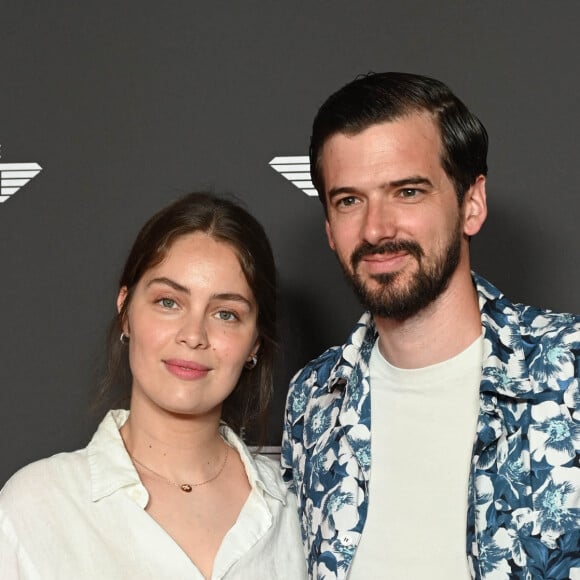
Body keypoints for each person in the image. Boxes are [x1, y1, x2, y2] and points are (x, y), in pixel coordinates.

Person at [281, 72, 580, 579]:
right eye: (349, 200)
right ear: (330, 229)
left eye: (408, 192)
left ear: (471, 203)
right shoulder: (313, 400)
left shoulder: (570, 368)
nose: (377, 229)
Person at [0, 192, 306, 579]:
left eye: (226, 313)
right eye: (168, 302)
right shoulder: (36, 505)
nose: (193, 335)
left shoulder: (300, 507)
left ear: (254, 344)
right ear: (125, 311)